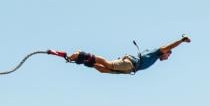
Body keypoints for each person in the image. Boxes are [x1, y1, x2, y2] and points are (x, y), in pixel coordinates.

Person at [50, 35, 191, 74]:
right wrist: (182, 40)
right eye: (168, 55)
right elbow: (169, 46)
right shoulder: (157, 52)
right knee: (108, 64)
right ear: (165, 52)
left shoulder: (154, 56)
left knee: (102, 69)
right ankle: (82, 54)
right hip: (131, 63)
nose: (167, 58)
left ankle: (83, 60)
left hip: (130, 68)